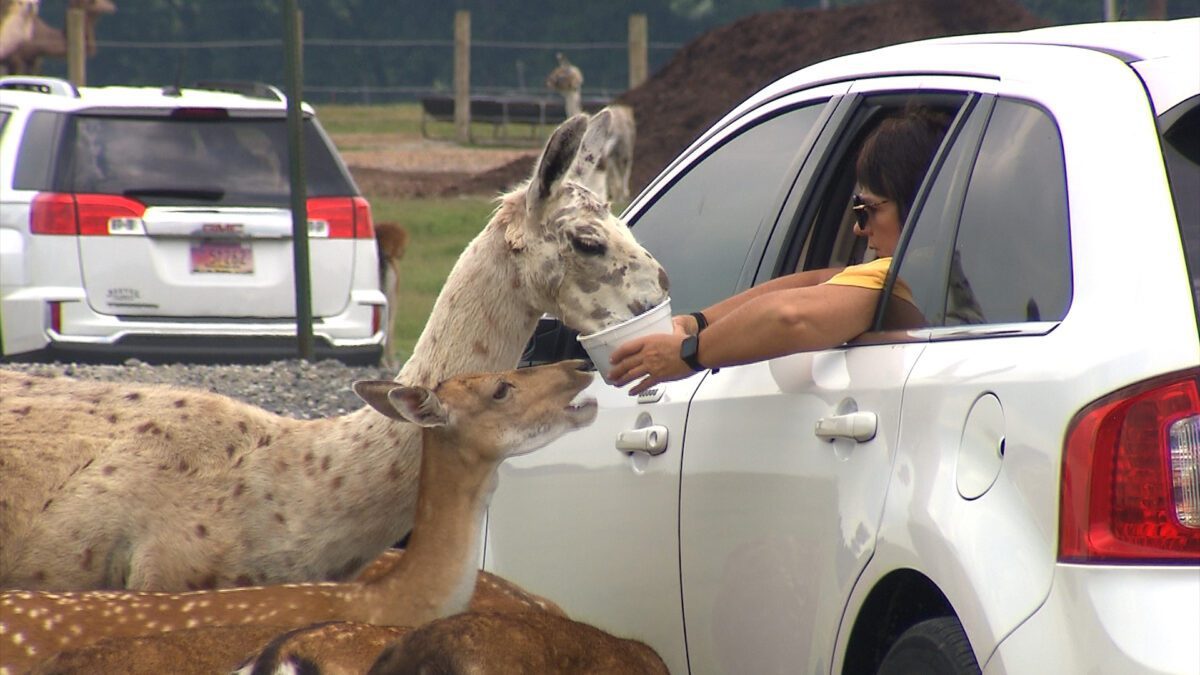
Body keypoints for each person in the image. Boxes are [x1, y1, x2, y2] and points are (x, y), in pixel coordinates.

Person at [609, 106, 950, 395]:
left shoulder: (902, 273)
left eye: (868, 209)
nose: (858, 228)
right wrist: (697, 322)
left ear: (920, 205)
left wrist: (688, 354)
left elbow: (789, 315)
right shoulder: (951, 271)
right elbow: (818, 280)